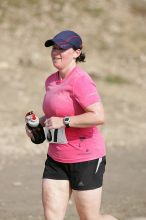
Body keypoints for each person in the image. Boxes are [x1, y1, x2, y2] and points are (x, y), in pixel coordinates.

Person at [26, 30, 118, 220]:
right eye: (53, 48)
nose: (55, 52)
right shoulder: (51, 80)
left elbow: (99, 116)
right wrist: (38, 124)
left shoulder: (81, 80)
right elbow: (54, 114)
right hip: (56, 158)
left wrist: (65, 121)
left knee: (90, 219)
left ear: (77, 52)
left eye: (62, 48)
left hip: (85, 159)